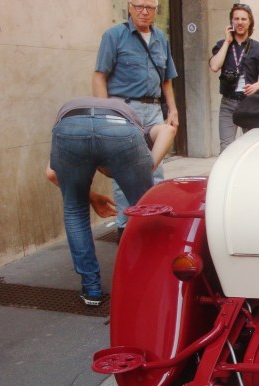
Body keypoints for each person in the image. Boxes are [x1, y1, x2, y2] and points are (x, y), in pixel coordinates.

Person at [46, 98, 176, 306]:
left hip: (70, 125)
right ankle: (153, 282)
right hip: (119, 130)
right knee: (145, 209)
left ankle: (91, 289)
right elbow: (169, 130)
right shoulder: (141, 129)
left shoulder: (73, 120)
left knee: (75, 210)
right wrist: (147, 167)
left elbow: (52, 174)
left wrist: (91, 198)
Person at [92, 0, 179, 240]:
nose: (144, 11)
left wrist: (172, 111)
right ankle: (126, 225)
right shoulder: (114, 36)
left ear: (156, 10)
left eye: (150, 7)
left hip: (153, 109)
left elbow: (167, 81)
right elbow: (100, 77)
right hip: (123, 108)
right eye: (139, 6)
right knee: (124, 171)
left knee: (156, 169)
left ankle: (153, 219)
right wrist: (105, 112)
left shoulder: (161, 38)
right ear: (129, 7)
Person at [209, 3, 259, 153]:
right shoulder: (222, 45)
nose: (240, 22)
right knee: (226, 148)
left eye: (243, 19)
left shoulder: (258, 48)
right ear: (231, 22)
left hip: (249, 103)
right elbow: (214, 66)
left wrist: (256, 86)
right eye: (236, 19)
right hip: (228, 103)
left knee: (252, 147)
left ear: (250, 22)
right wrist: (227, 42)